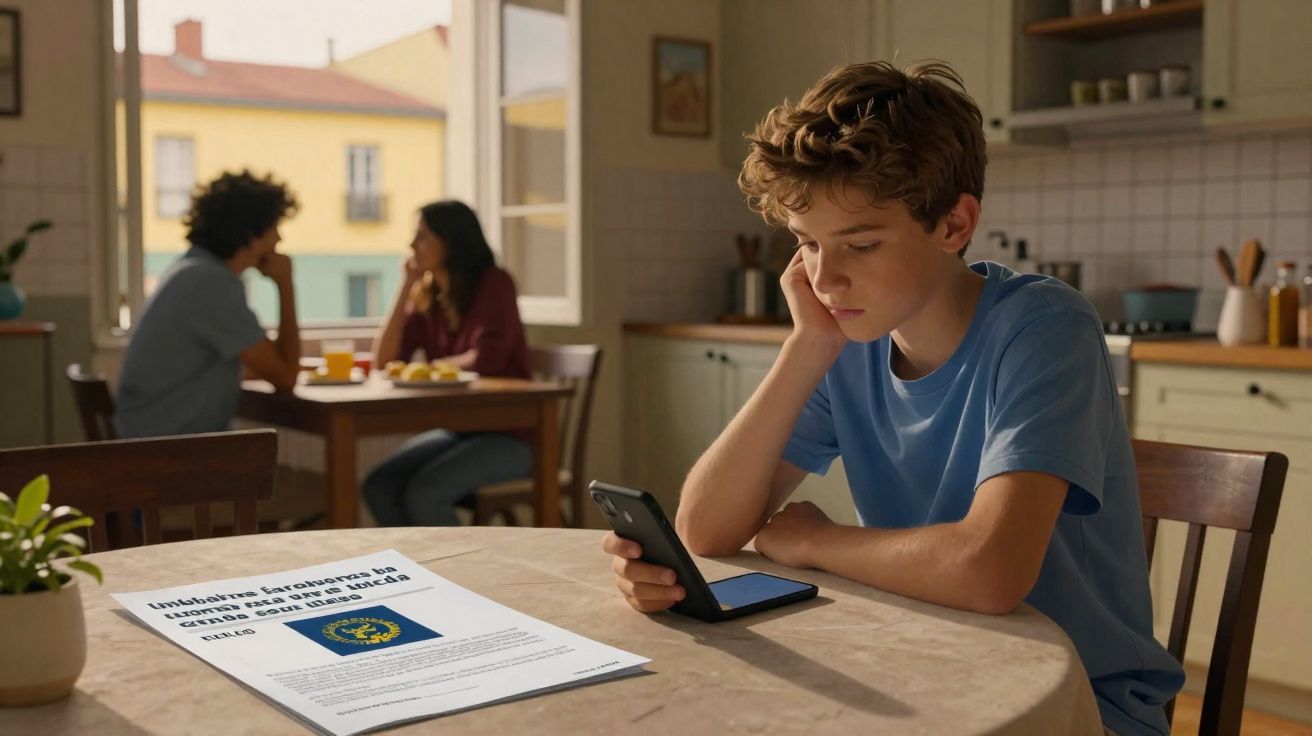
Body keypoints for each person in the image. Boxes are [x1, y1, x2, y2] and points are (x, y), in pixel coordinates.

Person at [602, 61, 1184, 736]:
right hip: (931, 672)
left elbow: (989, 572)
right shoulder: (849, 342)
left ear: (954, 224)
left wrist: (821, 542)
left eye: (862, 244)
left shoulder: (1045, 328)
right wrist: (806, 348)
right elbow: (706, 528)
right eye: (806, 245)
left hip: (1079, 705)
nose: (826, 278)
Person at [363, 200, 532, 527]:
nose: (412, 245)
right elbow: (384, 361)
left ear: (451, 241)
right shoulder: (429, 295)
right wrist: (404, 287)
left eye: (423, 237)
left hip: (512, 437)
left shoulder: (494, 283)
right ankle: (415, 570)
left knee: (424, 493)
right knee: (379, 486)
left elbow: (487, 358)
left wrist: (432, 368)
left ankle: (454, 573)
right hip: (460, 431)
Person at [115, 169, 302, 438]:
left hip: (147, 437)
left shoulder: (191, 270)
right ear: (251, 233)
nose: (279, 240)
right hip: (168, 452)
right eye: (274, 228)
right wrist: (285, 284)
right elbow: (285, 377)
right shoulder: (211, 283)